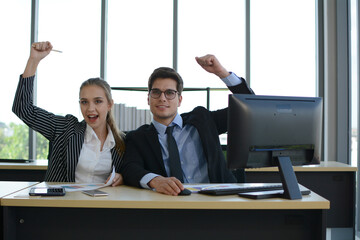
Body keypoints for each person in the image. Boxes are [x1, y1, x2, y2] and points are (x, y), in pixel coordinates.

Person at [121, 54, 254, 195]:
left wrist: (221, 72)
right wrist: (156, 180)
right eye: (156, 92)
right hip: (171, 206)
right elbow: (130, 168)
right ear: (148, 99)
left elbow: (250, 107)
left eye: (170, 93)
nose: (162, 98)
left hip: (217, 201)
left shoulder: (203, 120)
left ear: (179, 100)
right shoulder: (138, 138)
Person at [13, 41, 125, 186]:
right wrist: (34, 60)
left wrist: (122, 177)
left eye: (98, 101)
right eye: (84, 102)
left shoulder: (122, 143)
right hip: (63, 206)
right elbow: (23, 109)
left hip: (103, 206)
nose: (90, 109)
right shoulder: (65, 128)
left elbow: (134, 172)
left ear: (109, 104)